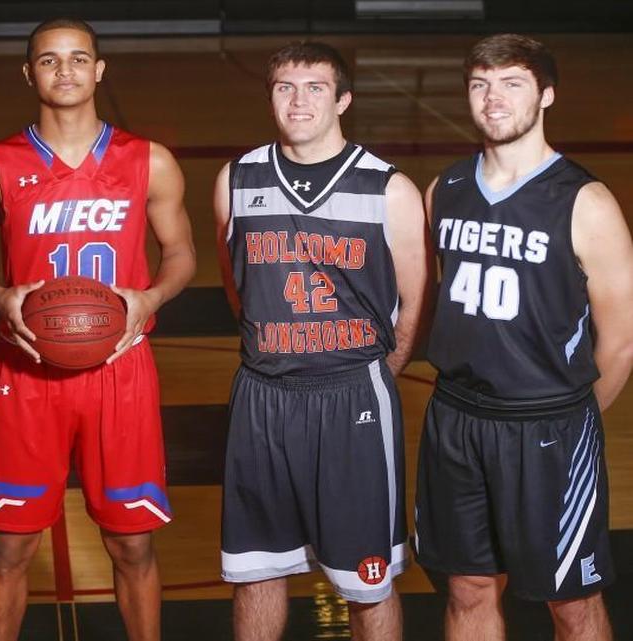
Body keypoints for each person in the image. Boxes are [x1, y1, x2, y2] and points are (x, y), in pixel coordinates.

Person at [0, 17, 195, 641]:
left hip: (121, 369)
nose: (65, 71)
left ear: (99, 69)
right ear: (28, 72)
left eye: (78, 58)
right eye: (49, 60)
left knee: (133, 545)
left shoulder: (149, 160)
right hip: (26, 372)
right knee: (11, 548)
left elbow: (181, 254)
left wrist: (150, 297)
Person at [413, 34, 633, 641]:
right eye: (480, 85)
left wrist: (569, 421)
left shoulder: (585, 201)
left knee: (571, 601)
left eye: (512, 84)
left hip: (547, 426)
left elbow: (620, 342)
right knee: (468, 587)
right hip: (455, 421)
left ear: (546, 95)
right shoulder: (445, 190)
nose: (494, 98)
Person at [213, 41, 429, 640]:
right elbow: (237, 285)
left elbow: (415, 303)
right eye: (285, 87)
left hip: (351, 398)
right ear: (270, 98)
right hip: (261, 399)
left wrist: (371, 375)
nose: (299, 101)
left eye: (315, 88)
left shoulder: (389, 189)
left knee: (367, 582)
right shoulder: (236, 180)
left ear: (343, 100)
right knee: (255, 573)